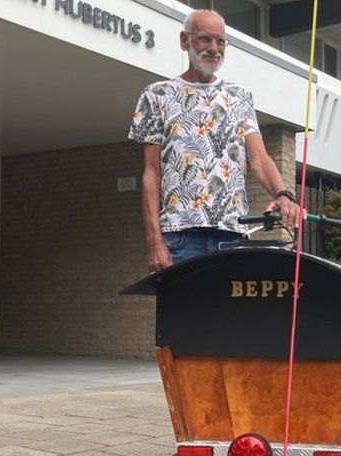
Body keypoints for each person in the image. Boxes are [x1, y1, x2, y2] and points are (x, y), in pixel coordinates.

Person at [129, 9, 301, 272]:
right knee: (182, 313)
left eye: (220, 41)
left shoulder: (239, 96)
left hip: (233, 234)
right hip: (181, 236)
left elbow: (259, 158)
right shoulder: (156, 95)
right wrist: (154, 241)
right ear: (184, 41)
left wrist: (283, 195)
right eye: (204, 39)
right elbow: (152, 174)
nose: (214, 48)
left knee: (230, 314)